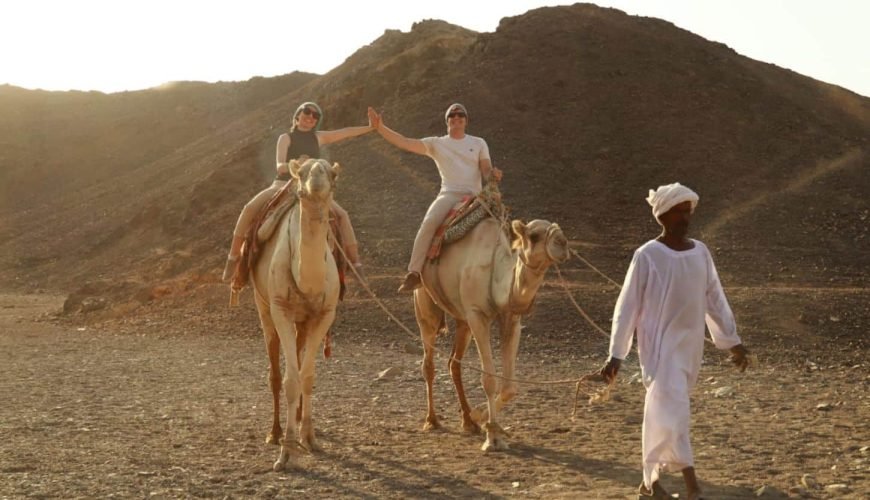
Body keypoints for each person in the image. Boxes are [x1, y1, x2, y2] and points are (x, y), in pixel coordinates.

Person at [598, 182, 751, 500]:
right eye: (679, 212)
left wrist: (732, 342)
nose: (685, 218)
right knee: (673, 410)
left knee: (664, 412)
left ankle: (649, 483)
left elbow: (715, 299)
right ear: (663, 216)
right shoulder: (647, 256)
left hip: (689, 350)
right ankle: (692, 486)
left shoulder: (700, 252)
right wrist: (616, 355)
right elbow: (627, 307)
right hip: (659, 349)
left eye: (687, 212)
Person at [222, 102, 374, 282]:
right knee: (249, 208)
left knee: (342, 215)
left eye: (315, 116)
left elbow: (345, 132)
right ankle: (233, 257)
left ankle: (356, 263)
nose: (311, 117)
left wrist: (370, 127)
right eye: (307, 112)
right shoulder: (286, 138)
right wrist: (296, 164)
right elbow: (279, 166)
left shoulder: (318, 137)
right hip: (283, 184)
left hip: (308, 189)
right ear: (297, 115)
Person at [367, 103, 501, 292]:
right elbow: (404, 142)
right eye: (452, 115)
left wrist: (493, 175)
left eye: (460, 115)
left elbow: (485, 169)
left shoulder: (479, 143)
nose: (456, 118)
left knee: (501, 224)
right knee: (429, 223)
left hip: (475, 196)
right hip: (449, 194)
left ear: (466, 120)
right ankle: (414, 272)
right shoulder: (436, 143)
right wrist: (380, 128)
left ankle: (509, 268)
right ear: (447, 121)